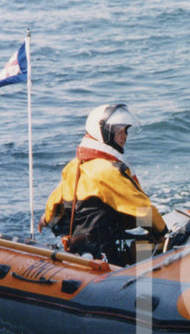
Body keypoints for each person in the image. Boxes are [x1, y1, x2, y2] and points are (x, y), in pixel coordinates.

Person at [40, 103, 166, 265]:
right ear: (103, 132)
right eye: (119, 131)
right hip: (101, 249)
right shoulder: (108, 171)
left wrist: (45, 219)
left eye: (125, 131)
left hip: (77, 247)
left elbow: (54, 205)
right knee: (147, 252)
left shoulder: (74, 166)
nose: (124, 136)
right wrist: (162, 232)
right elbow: (142, 209)